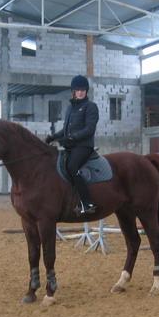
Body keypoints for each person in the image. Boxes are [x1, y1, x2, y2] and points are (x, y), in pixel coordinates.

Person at [45, 75, 99, 215]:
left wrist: (72, 138)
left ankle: (88, 203)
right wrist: (53, 137)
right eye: (77, 90)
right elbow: (65, 130)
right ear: (73, 91)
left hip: (84, 146)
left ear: (86, 91)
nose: (80, 92)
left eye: (83, 90)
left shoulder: (91, 107)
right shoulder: (70, 108)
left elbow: (89, 129)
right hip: (71, 146)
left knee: (72, 167)